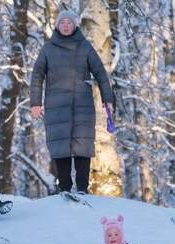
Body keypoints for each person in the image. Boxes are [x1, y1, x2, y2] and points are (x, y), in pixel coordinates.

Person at [29, 9, 115, 194]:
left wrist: (108, 99)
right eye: (62, 23)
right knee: (61, 147)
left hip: (82, 105)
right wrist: (35, 102)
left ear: (75, 25)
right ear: (57, 26)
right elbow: (37, 76)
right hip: (56, 105)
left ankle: (83, 189)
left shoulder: (85, 47)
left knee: (83, 145)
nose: (66, 25)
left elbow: (100, 72)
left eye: (69, 22)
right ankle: (65, 189)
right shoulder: (48, 49)